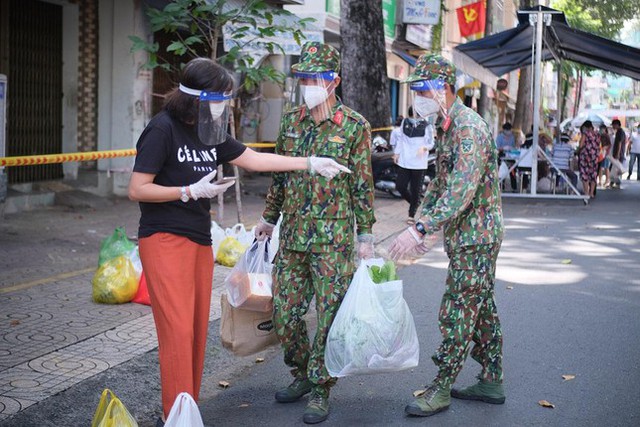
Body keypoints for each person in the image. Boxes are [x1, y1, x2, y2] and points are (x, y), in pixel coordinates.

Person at [127, 57, 350, 426]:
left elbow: (255, 161)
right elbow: (137, 189)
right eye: (221, 98)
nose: (224, 105)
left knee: (197, 331)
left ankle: (188, 410)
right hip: (164, 239)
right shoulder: (162, 129)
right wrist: (187, 190)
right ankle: (176, 416)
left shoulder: (209, 128)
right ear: (197, 97)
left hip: (199, 241)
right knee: (178, 331)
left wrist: (310, 163)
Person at [253, 42, 375, 425]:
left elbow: (363, 185)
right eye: (303, 77)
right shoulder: (291, 122)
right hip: (293, 237)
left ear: (334, 81)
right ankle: (301, 374)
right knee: (285, 314)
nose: (307, 83)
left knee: (329, 317)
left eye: (314, 78)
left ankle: (321, 388)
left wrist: (366, 236)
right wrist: (269, 219)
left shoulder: (354, 127)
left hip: (333, 242)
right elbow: (279, 175)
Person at [388, 54, 504, 418]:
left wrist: (424, 228)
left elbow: (460, 190)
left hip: (477, 238)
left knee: (458, 310)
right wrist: (420, 221)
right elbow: (440, 182)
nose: (418, 96)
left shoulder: (468, 129)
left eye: (423, 89)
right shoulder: (448, 125)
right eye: (416, 89)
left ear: (443, 88)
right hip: (466, 235)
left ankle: (441, 386)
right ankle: (492, 379)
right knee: (480, 308)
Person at [390, 115, 434, 224]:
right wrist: (396, 153)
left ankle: (411, 214)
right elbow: (400, 139)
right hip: (404, 160)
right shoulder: (405, 122)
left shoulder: (427, 126)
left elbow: (431, 143)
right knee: (400, 186)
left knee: (416, 190)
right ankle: (414, 203)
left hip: (419, 162)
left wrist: (424, 148)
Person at [550, 125, 578, 190]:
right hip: (564, 168)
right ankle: (572, 191)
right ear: (568, 140)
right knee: (574, 177)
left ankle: (556, 187)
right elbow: (571, 159)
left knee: (557, 172)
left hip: (553, 168)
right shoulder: (569, 147)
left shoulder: (555, 146)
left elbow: (551, 155)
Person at [577, 120, 599, 198]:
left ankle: (586, 192)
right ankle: (591, 193)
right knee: (593, 175)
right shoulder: (597, 134)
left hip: (585, 157)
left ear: (585, 127)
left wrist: (578, 150)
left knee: (584, 175)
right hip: (594, 157)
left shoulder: (585, 134)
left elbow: (580, 145)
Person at [611, 119, 626, 187]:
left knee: (616, 168)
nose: (613, 126)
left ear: (617, 125)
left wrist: (617, 154)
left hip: (619, 153)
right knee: (615, 168)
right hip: (618, 153)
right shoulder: (619, 132)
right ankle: (614, 182)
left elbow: (619, 143)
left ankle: (616, 182)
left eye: (613, 125)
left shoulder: (620, 132)